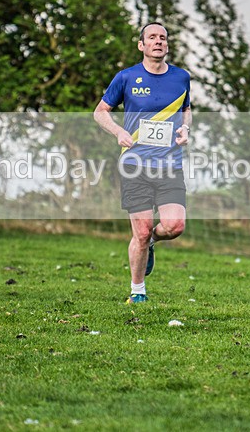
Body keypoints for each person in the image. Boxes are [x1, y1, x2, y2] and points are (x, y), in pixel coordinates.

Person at [93, 22, 192, 304]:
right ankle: (138, 292)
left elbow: (186, 110)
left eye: (163, 37)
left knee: (174, 226)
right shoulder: (126, 77)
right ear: (142, 45)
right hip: (135, 164)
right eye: (152, 37)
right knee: (142, 228)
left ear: (167, 45)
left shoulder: (181, 77)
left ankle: (150, 243)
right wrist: (119, 131)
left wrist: (186, 130)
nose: (158, 41)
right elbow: (100, 113)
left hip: (169, 164)